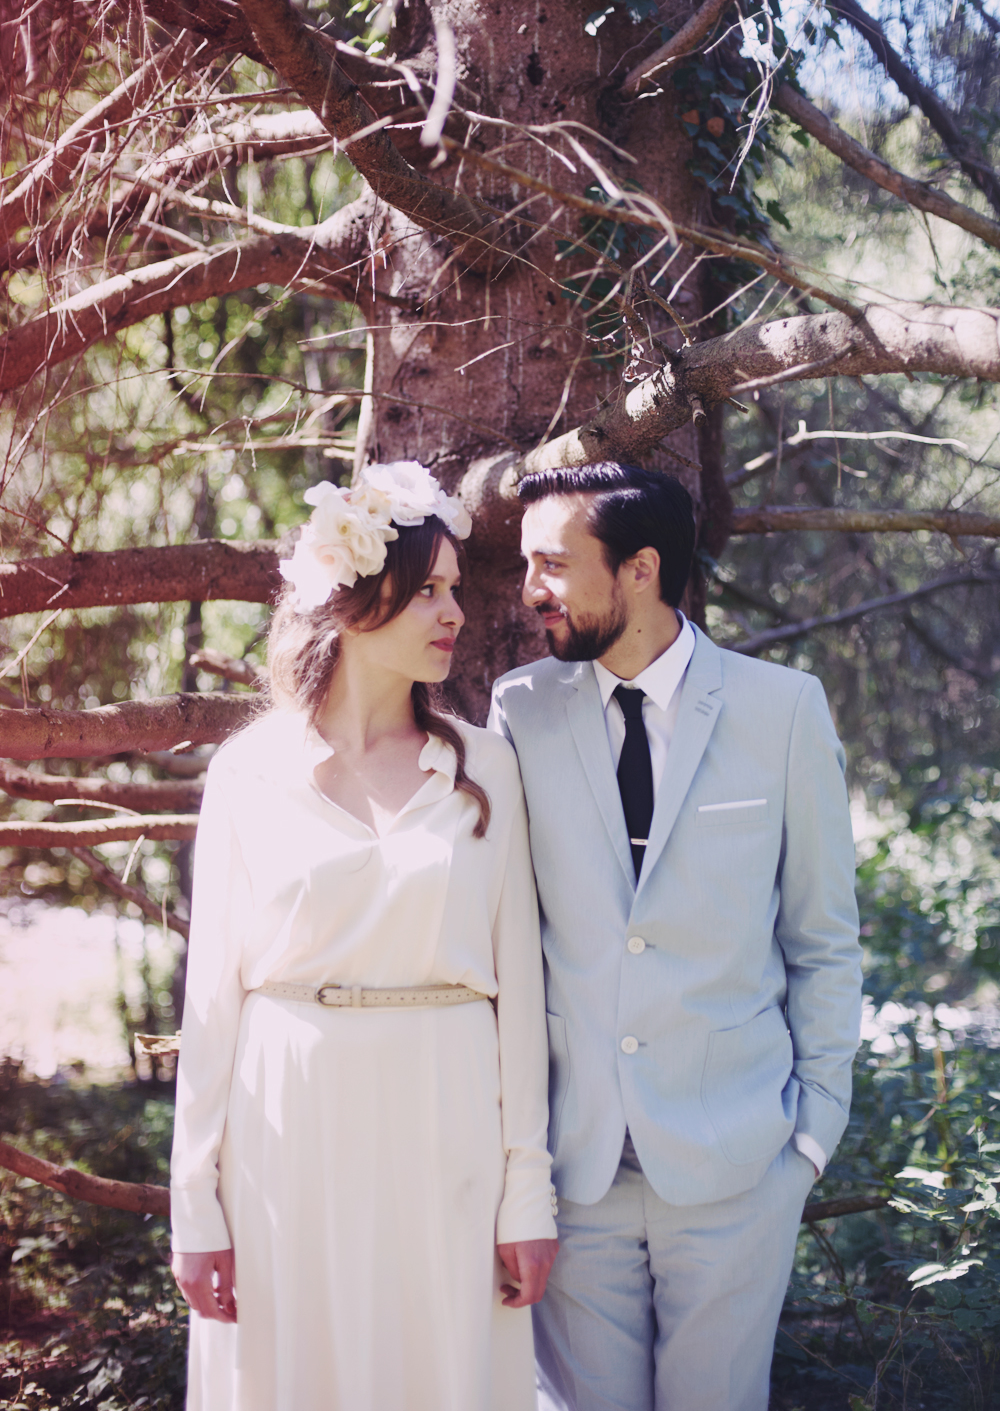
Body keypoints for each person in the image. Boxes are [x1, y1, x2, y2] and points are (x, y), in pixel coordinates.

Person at [169, 462, 559, 1411]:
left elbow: (520, 999)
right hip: (286, 1130)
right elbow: (211, 1003)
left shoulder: (488, 769)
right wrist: (194, 1203)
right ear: (349, 602)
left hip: (447, 1127)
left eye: (455, 589)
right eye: (427, 589)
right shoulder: (249, 771)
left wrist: (527, 1191)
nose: (454, 612)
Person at [489, 462, 863, 1411]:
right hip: (575, 1170)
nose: (530, 590)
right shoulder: (518, 710)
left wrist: (812, 1133)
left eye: (552, 563)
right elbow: (506, 939)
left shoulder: (783, 709)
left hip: (739, 1164)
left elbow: (822, 936)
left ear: (641, 568)